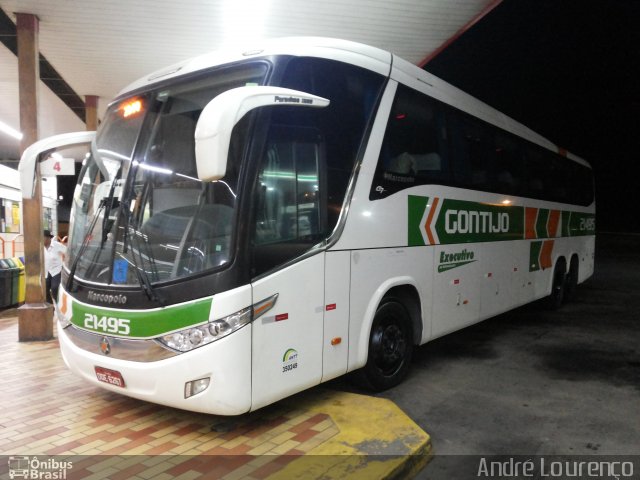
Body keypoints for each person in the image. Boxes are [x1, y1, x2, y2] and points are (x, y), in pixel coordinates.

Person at [43, 230, 67, 304]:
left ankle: (58, 304)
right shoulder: (40, 247)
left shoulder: (56, 245)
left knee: (55, 288)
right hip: (46, 272)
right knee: (44, 290)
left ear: (48, 238)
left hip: (56, 270)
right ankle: (50, 306)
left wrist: (66, 264)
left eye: (43, 238)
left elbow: (67, 252)